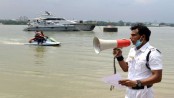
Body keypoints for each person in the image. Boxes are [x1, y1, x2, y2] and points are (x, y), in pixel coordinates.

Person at [113, 23, 163, 98]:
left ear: (142, 37)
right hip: (129, 92)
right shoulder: (133, 50)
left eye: (133, 35)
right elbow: (126, 68)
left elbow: (158, 77)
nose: (130, 38)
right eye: (131, 35)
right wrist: (119, 56)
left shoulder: (153, 53)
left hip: (144, 93)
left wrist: (137, 83)